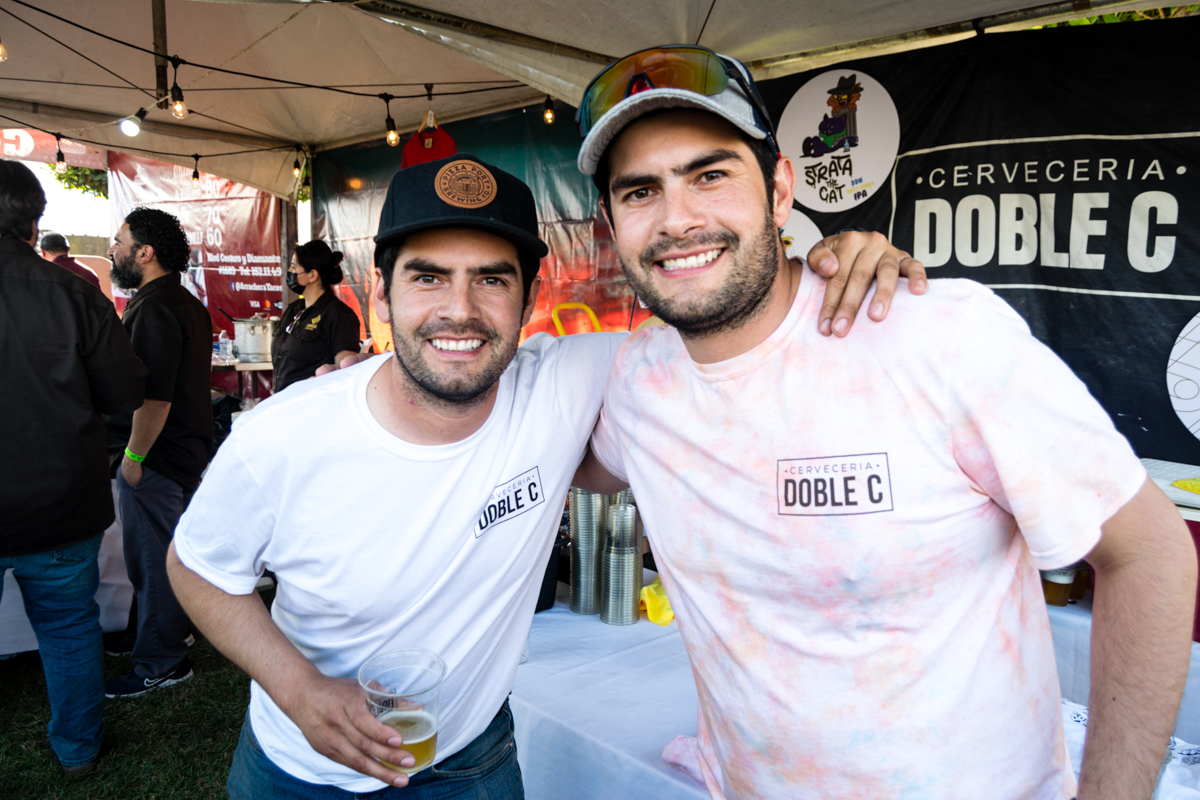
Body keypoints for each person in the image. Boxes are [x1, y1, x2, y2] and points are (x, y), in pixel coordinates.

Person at [165, 153, 922, 799]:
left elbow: (736, 330)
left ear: (530, 298)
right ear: (380, 293)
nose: (459, 310)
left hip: (469, 760)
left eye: (492, 280)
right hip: (301, 771)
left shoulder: (571, 380)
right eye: (429, 278)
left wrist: (827, 268)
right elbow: (197, 568)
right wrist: (299, 690)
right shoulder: (284, 436)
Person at [571, 45, 1198, 800]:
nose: (679, 219)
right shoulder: (637, 381)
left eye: (710, 175)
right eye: (641, 191)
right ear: (610, 223)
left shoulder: (937, 335)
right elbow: (538, 458)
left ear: (779, 189)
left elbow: (1151, 554)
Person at [0, 159, 146, 774]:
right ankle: (79, 749)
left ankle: (81, 745)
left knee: (66, 627)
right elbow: (124, 394)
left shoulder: (76, 291)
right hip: (61, 497)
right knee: (67, 628)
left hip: (60, 501)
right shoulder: (74, 293)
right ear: (34, 224)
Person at [103, 207, 213, 698]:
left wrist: (133, 459)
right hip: (182, 453)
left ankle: (162, 660)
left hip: (158, 458)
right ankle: (161, 634)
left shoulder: (155, 307)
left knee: (153, 560)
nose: (112, 250)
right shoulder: (182, 302)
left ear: (145, 253)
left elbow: (155, 398)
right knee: (167, 555)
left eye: (119, 241)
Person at [272, 239, 361, 392]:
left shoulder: (339, 315)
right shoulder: (293, 309)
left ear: (312, 275)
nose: (290, 271)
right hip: (283, 401)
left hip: (312, 403)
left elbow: (344, 373)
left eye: (294, 267)